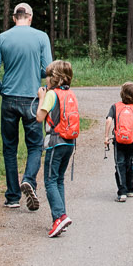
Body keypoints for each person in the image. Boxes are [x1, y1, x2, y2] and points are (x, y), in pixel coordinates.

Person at [0, 2, 52, 211]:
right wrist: (37, 75)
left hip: (9, 99)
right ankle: (29, 181)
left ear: (14, 18)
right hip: (33, 99)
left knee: (9, 148)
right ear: (30, 17)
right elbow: (48, 70)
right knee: (34, 145)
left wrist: (3, 90)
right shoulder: (41, 37)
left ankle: (13, 196)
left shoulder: (2, 38)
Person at [37, 59, 81, 236]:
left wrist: (42, 98)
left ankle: (59, 217)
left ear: (55, 78)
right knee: (59, 180)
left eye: (47, 76)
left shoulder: (51, 94)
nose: (45, 79)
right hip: (69, 142)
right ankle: (61, 215)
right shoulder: (71, 94)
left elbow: (39, 117)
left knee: (49, 180)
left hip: (55, 142)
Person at [101, 81, 133, 201]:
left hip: (119, 140)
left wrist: (106, 137)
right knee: (130, 162)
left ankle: (122, 192)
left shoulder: (115, 106)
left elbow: (108, 121)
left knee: (119, 164)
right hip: (132, 141)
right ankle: (130, 189)